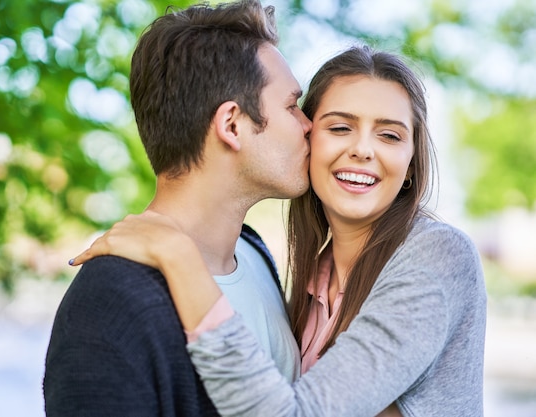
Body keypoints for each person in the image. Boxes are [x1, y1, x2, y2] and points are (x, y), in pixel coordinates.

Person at [70, 46, 487, 416]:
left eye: (390, 135)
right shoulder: (310, 279)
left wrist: (179, 256)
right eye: (339, 127)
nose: (363, 149)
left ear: (412, 164)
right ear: (310, 140)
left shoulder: (437, 255)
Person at [43, 0, 312, 415]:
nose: (309, 125)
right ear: (232, 125)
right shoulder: (107, 305)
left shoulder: (254, 254)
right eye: (292, 106)